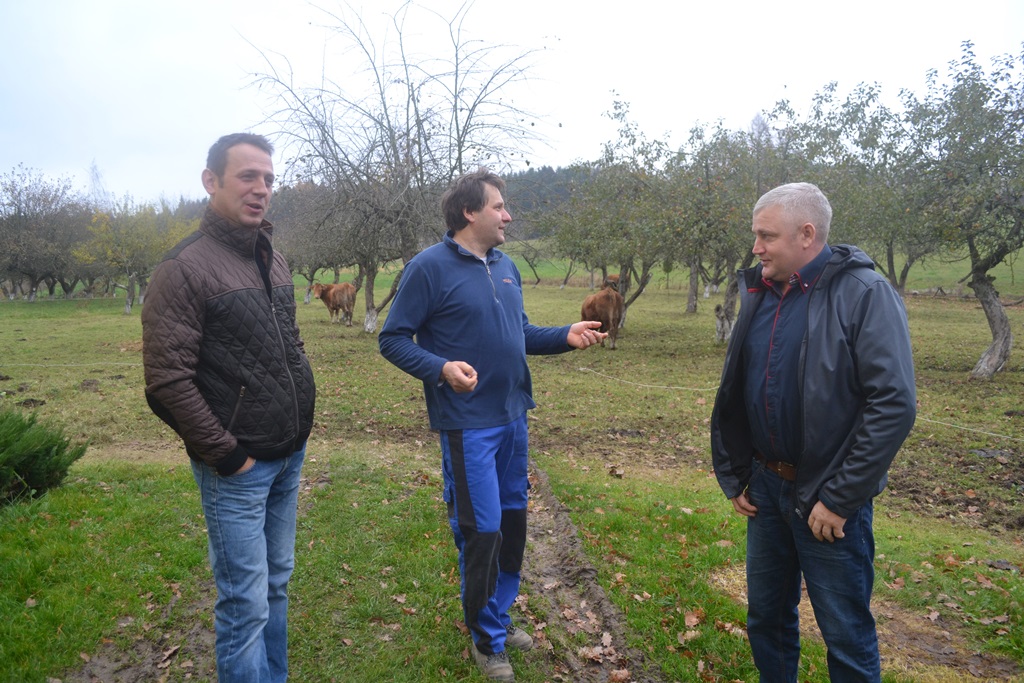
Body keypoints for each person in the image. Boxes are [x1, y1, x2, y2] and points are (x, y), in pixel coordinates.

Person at [378, 168, 607, 682]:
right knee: (481, 532)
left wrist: (562, 335)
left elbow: (518, 333)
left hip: (513, 418)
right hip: (467, 425)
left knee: (513, 525)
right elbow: (393, 338)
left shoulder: (505, 266)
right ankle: (486, 638)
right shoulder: (428, 268)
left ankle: (498, 615)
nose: (508, 215)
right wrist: (440, 369)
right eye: (499, 206)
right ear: (469, 212)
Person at [710, 182, 916, 682]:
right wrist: (740, 474)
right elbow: (738, 386)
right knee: (767, 620)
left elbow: (893, 404)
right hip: (765, 491)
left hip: (828, 502)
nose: (756, 248)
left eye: (766, 236)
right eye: (755, 236)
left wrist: (841, 497)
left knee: (845, 635)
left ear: (807, 234)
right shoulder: (761, 290)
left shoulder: (864, 294)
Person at [142, 133, 316, 683]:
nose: (261, 189)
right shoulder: (184, 269)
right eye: (247, 176)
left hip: (289, 454)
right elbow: (167, 382)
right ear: (211, 181)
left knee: (276, 585)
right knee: (245, 605)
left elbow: (288, 345)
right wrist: (227, 455)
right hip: (238, 468)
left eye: (268, 178)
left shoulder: (275, 257)